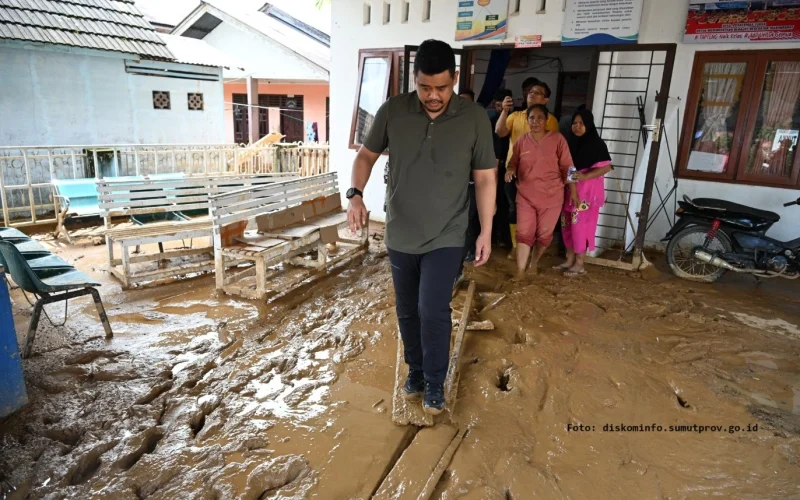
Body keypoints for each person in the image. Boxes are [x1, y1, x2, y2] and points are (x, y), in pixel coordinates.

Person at [347, 39, 497, 415]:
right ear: (414, 79)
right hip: (400, 232)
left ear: (455, 79)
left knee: (433, 308)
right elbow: (365, 156)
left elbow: (485, 179)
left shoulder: (474, 117)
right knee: (408, 310)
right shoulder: (393, 112)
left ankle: (434, 381)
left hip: (447, 233)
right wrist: (355, 194)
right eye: (425, 87)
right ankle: (415, 370)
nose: (433, 96)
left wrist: (486, 231)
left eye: (442, 88)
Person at [505, 104, 576, 280]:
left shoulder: (558, 139)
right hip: (526, 195)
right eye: (531, 118)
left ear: (546, 120)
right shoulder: (521, 140)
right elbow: (513, 162)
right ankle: (520, 271)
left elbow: (569, 167)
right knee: (524, 233)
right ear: (527, 120)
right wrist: (510, 169)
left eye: (539, 118)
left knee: (544, 235)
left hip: (552, 196)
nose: (535, 121)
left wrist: (573, 191)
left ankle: (534, 262)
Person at [495, 79, 560, 259]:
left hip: (537, 175)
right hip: (513, 170)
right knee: (513, 209)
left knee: (535, 210)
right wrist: (505, 110)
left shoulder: (551, 120)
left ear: (545, 100)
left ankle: (532, 247)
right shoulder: (515, 116)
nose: (532, 93)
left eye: (538, 92)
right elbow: (500, 132)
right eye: (531, 91)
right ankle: (517, 246)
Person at [556, 109, 613, 277]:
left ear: (588, 125)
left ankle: (580, 263)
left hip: (586, 195)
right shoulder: (570, 143)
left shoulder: (596, 144)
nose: (577, 126)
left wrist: (586, 175)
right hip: (570, 191)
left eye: (581, 123)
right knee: (567, 225)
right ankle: (569, 259)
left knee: (580, 227)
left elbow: (607, 167)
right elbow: (568, 168)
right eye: (574, 123)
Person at [488, 89, 513, 248]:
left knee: (505, 204)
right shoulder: (491, 120)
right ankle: (491, 236)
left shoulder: (514, 119)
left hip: (510, 166)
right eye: (497, 105)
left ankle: (505, 237)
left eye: (502, 105)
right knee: (491, 201)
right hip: (493, 165)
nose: (500, 108)